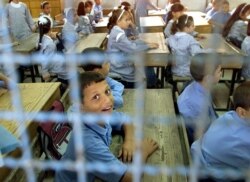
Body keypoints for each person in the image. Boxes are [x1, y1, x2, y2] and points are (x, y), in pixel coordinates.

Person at [55, 71, 159, 182]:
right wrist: (144, 151)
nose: (107, 100)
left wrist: (129, 141)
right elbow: (130, 178)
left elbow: (125, 119)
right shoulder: (87, 142)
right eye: (96, 97)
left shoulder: (100, 116)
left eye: (107, 91)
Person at [191, 81, 250, 172]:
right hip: (209, 174)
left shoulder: (230, 115)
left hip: (199, 155)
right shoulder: (243, 139)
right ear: (241, 112)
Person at [107, 9, 159, 88]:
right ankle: (151, 85)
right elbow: (133, 48)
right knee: (143, 74)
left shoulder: (116, 30)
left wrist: (128, 39)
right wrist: (148, 46)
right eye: (126, 20)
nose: (129, 22)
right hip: (120, 68)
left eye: (129, 20)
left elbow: (124, 43)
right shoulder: (119, 35)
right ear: (118, 21)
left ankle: (152, 81)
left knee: (142, 67)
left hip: (117, 64)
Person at [178, 53, 221, 145]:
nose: (221, 74)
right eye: (219, 71)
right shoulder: (199, 104)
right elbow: (208, 134)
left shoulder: (196, 85)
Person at [37, 16, 69, 92]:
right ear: (50, 27)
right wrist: (44, 71)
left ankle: (63, 83)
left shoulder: (40, 38)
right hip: (52, 66)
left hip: (46, 63)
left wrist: (54, 39)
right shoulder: (50, 43)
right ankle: (64, 86)